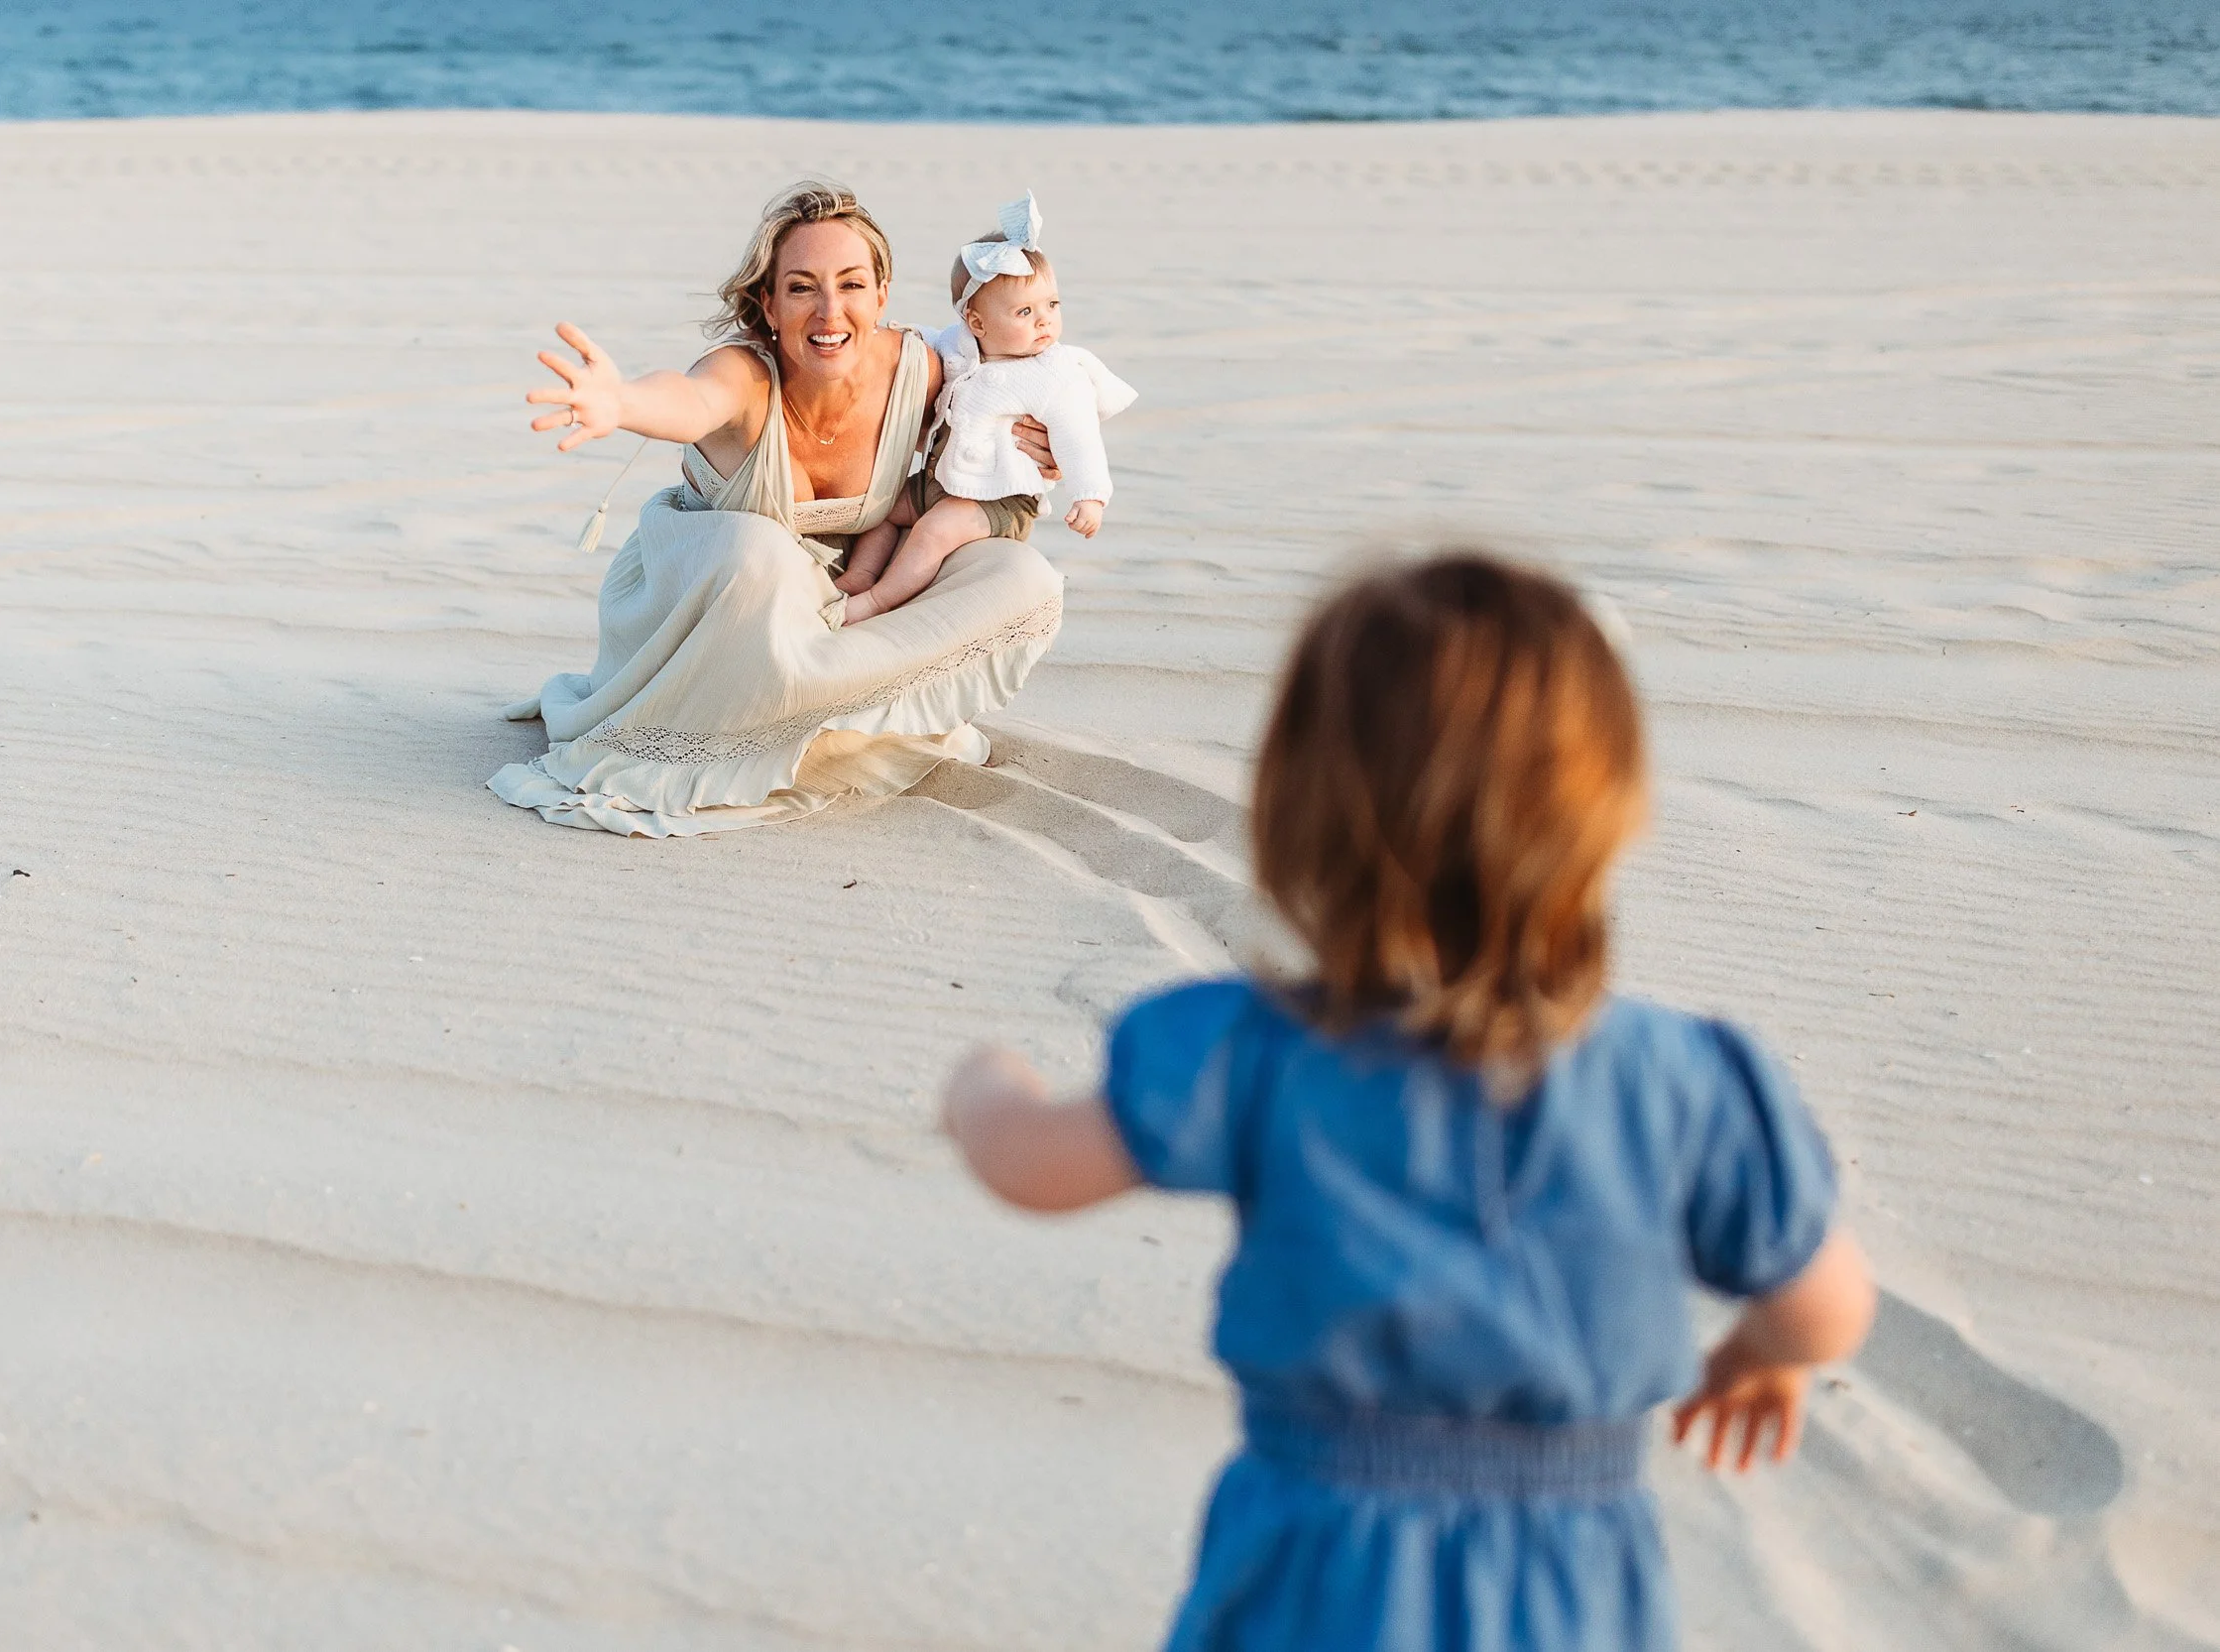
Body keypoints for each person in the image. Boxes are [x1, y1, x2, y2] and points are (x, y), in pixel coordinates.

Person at [942, 553, 1878, 1651]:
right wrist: (1769, 1352)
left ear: (1299, 813)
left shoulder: (1253, 1052)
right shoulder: (1689, 1080)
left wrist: (983, 1091)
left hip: (1321, 1564)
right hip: (1574, 1583)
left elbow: (1035, 1169)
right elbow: (1827, 1304)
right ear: (1606, 816)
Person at [491, 180, 1067, 837]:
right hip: (715, 610)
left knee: (1020, 575)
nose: (829, 311)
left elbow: (1008, 396)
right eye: (801, 288)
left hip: (838, 612)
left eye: (851, 285)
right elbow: (687, 398)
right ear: (768, 304)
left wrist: (1035, 443)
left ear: (881, 296)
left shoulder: (923, 371)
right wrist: (621, 402)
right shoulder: (743, 376)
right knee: (759, 554)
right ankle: (798, 725)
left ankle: (843, 716)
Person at [833, 192, 1134, 626]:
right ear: (976, 323)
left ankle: (877, 601)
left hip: (1001, 499)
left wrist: (1090, 497)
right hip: (938, 481)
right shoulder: (960, 346)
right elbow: (925, 339)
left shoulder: (1056, 373)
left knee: (933, 533)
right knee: (880, 508)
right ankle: (859, 576)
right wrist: (891, 334)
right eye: (1025, 311)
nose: (1044, 321)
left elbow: (1079, 436)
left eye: (1052, 305)